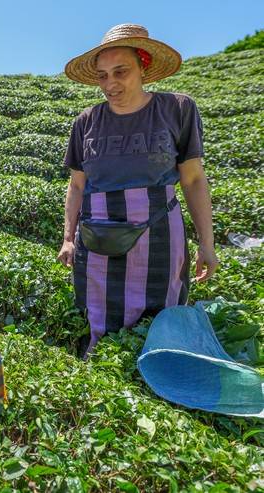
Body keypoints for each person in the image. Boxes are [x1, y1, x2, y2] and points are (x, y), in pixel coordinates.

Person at [57, 24, 219, 354]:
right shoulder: (85, 122)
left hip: (158, 232)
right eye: (102, 76)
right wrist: (68, 238)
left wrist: (207, 243)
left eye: (121, 72)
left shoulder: (177, 109)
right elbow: (76, 185)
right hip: (98, 237)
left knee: (159, 315)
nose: (110, 84)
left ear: (143, 66)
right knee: (99, 318)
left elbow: (193, 179)